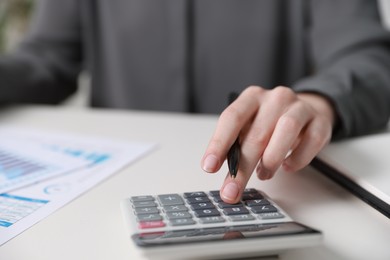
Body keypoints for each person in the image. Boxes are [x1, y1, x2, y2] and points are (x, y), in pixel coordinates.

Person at [1, 1, 390, 203]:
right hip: (107, 196)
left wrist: (319, 102)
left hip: (276, 190)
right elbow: (48, 59)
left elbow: (367, 60)